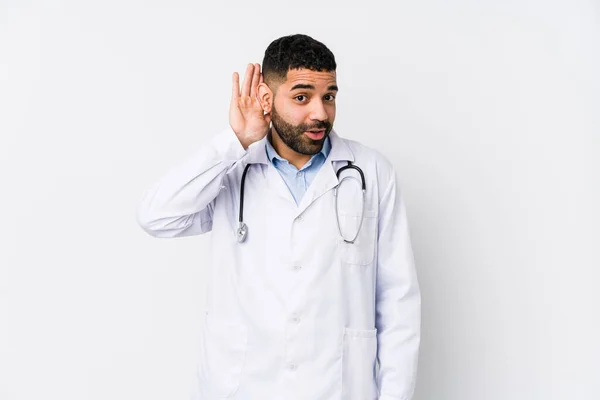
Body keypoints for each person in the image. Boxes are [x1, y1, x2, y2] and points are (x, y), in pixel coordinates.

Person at [136, 33, 421, 400]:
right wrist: (235, 141)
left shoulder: (371, 172)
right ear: (267, 99)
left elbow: (398, 301)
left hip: (337, 386)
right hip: (243, 386)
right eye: (302, 97)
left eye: (329, 97)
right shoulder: (232, 170)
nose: (320, 113)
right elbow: (156, 216)